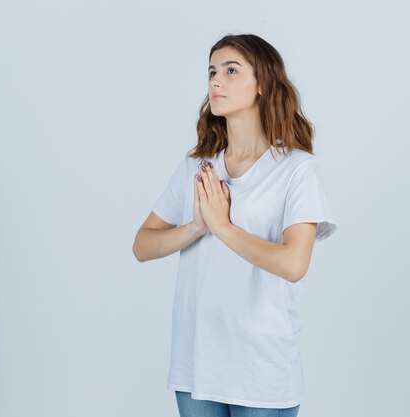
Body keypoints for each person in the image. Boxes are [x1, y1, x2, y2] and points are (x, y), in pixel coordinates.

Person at [132, 33, 338, 417]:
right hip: (196, 367)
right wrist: (196, 227)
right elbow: (142, 246)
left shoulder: (296, 170)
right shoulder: (197, 166)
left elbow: (294, 264)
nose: (216, 81)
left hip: (260, 372)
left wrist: (223, 227)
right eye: (212, 71)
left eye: (231, 70)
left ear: (262, 84)